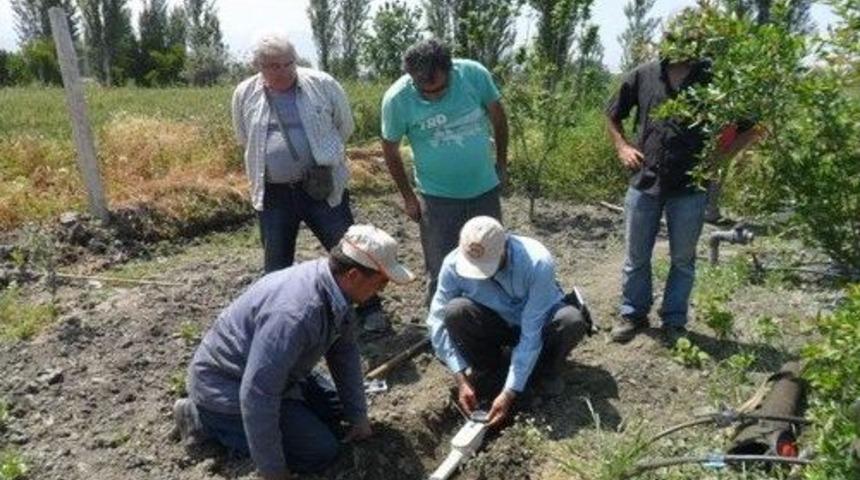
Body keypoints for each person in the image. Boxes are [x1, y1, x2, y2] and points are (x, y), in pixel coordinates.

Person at [172, 225, 414, 478]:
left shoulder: (335, 287)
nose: (382, 291)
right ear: (353, 274)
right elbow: (258, 393)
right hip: (228, 387)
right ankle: (201, 419)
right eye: (381, 282)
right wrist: (274, 471)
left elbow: (344, 352)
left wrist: (358, 416)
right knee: (319, 451)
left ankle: (295, 416)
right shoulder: (295, 314)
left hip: (280, 373)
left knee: (338, 409)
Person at [605, 10, 759, 345]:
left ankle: (674, 321)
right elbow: (613, 114)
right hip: (644, 182)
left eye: (689, 37)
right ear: (666, 36)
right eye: (673, 36)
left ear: (699, 39)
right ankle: (632, 313)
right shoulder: (643, 75)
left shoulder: (714, 77)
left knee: (683, 259)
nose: (680, 43)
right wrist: (622, 147)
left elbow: (751, 126)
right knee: (636, 257)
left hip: (691, 187)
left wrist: (720, 160)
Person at [231, 32, 387, 331]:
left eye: (289, 63)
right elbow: (243, 136)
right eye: (274, 66)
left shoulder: (322, 85)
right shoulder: (244, 93)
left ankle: (370, 311)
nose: (284, 71)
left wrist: (322, 157)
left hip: (321, 186)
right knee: (276, 261)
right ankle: (278, 320)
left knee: (349, 249)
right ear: (260, 66)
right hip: (273, 193)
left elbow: (345, 126)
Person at [426, 216, 591, 428]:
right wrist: (460, 377)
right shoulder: (452, 264)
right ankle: (489, 370)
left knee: (570, 321)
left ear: (505, 246)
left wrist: (510, 392)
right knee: (455, 311)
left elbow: (532, 331)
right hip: (496, 323)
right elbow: (437, 321)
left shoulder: (536, 262)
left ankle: (542, 372)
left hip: (539, 324)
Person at [381, 38, 509, 305]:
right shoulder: (397, 99)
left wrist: (501, 164)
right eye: (425, 91)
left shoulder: (474, 75)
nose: (434, 96)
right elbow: (390, 150)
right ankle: (440, 324)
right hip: (436, 196)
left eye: (440, 88)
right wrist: (408, 197)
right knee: (441, 267)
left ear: (450, 70)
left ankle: (489, 317)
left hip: (484, 188)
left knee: (490, 256)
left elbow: (499, 117)